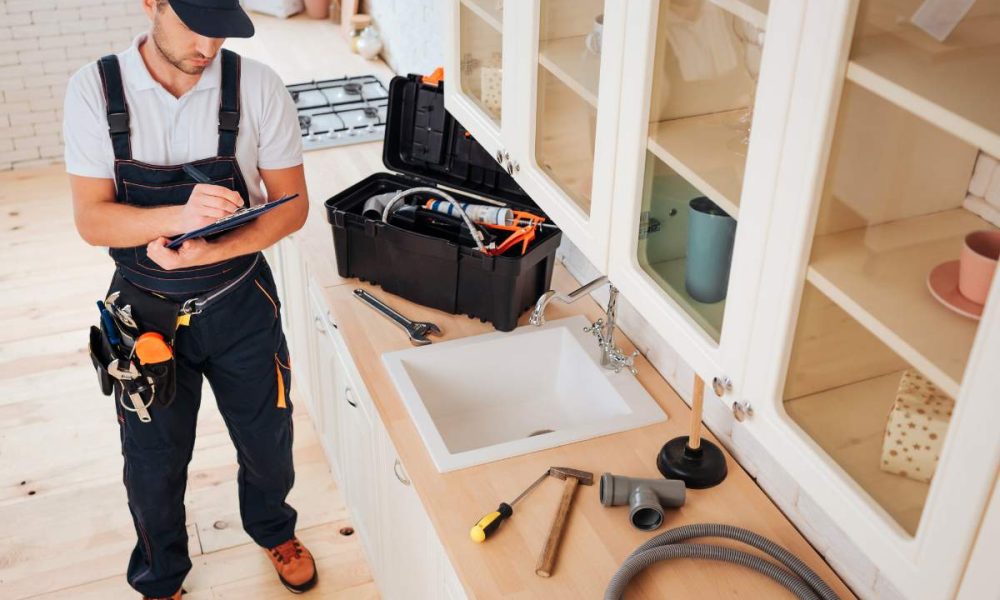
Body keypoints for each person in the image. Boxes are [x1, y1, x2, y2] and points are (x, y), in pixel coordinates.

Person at [63, 1, 315, 597]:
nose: (208, 45)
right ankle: (161, 576)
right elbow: (92, 221)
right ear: (152, 3)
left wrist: (214, 251)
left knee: (268, 441)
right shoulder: (95, 91)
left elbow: (293, 205)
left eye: (222, 29)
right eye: (194, 24)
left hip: (240, 300)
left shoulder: (257, 86)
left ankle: (273, 528)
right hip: (144, 309)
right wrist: (181, 215)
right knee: (152, 460)